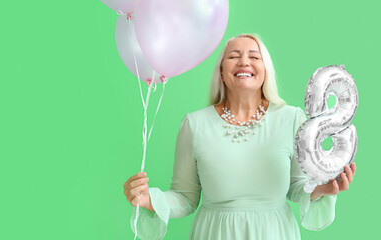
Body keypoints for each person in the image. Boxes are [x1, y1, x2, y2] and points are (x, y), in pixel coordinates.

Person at [122, 33, 356, 240]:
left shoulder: (292, 118)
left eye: (254, 57)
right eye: (234, 56)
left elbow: (297, 187)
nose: (244, 61)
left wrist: (322, 189)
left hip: (274, 233)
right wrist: (151, 200)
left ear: (266, 71)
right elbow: (185, 197)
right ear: (222, 72)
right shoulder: (194, 124)